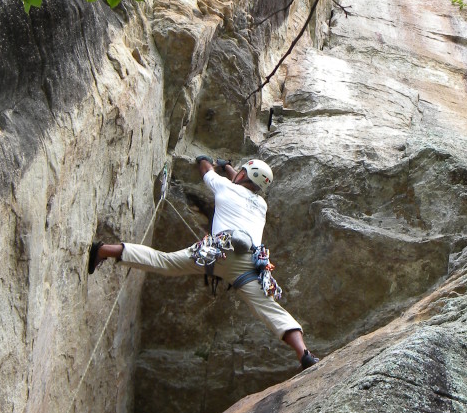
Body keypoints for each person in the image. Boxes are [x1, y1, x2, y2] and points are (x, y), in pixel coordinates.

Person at [88, 155, 319, 370]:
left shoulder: (224, 186)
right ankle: (303, 353)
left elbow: (207, 170)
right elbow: (242, 179)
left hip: (216, 250)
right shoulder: (261, 205)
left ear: (243, 175)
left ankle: (104, 250)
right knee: (269, 308)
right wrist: (228, 167)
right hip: (247, 263)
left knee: (164, 261)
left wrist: (207, 161)